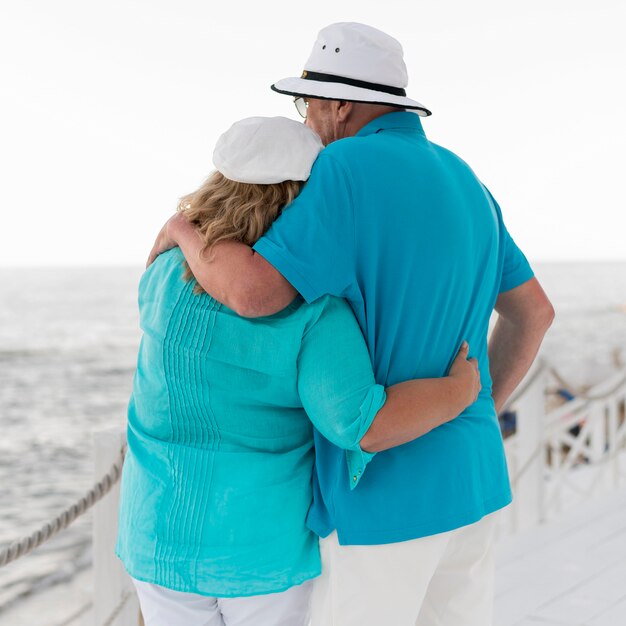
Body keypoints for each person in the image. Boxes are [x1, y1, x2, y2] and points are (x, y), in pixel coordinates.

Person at [148, 23, 555, 625]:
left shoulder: (342, 168)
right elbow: (534, 312)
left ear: (339, 103)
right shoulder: (467, 178)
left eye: (305, 102)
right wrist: (474, 406)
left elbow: (256, 294)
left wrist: (184, 226)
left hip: (384, 497)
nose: (306, 118)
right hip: (473, 477)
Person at [118, 115, 481, 626]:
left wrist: (182, 229)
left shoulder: (162, 271)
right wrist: (458, 391)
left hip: (153, 535)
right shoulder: (314, 311)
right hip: (256, 551)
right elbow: (363, 424)